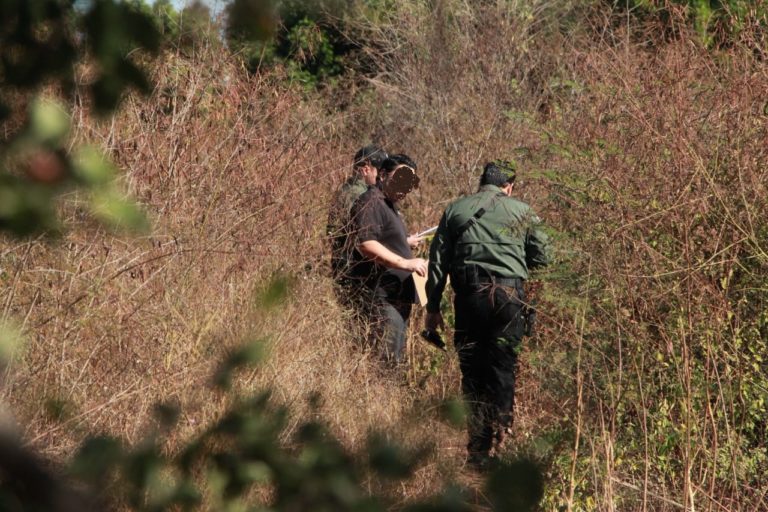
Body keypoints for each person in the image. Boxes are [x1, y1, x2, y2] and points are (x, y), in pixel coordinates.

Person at [424, 159, 550, 468]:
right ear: (509, 186)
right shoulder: (523, 211)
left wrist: (433, 308)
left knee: (473, 372)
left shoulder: (456, 210)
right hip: (509, 299)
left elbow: (438, 264)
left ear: (482, 183)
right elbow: (544, 257)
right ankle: (501, 445)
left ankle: (477, 450)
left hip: (469, 298)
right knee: (503, 370)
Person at [350, 154, 428, 363]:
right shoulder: (370, 202)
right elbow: (366, 244)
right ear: (383, 175)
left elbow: (384, 239)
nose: (406, 187)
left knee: (394, 360)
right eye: (401, 178)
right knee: (385, 362)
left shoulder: (389, 206)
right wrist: (405, 263)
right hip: (381, 297)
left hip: (397, 298)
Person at [327, 145, 388, 310]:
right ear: (367, 169)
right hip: (354, 274)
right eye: (380, 173)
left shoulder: (351, 192)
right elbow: (362, 238)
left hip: (350, 271)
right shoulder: (358, 196)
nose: (382, 179)